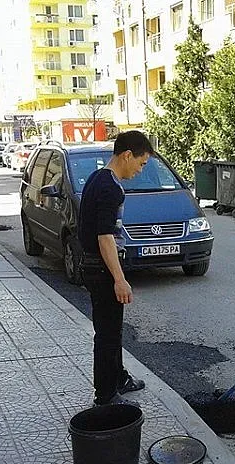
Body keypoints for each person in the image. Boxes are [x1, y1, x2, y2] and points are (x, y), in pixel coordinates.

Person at [77, 130, 152, 406]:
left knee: (112, 330)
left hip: (94, 265)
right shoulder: (111, 187)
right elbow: (105, 237)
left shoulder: (98, 178)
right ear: (127, 155)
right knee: (107, 334)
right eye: (141, 163)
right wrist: (119, 279)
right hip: (102, 268)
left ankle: (118, 378)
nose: (140, 170)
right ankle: (106, 395)